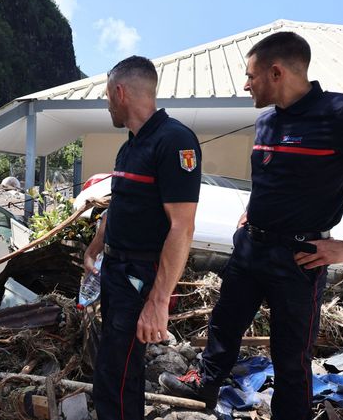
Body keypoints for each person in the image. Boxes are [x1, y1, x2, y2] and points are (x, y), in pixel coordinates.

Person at [158, 32, 343, 420]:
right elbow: (272, 177)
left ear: (276, 72)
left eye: (250, 75)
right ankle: (205, 383)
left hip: (299, 260)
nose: (245, 84)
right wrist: (250, 214)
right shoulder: (267, 121)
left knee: (291, 357)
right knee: (225, 323)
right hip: (251, 247)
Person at [83, 55, 202, 420]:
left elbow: (182, 227)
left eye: (106, 96)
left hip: (140, 274)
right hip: (116, 269)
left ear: (119, 92)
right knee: (115, 368)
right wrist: (94, 250)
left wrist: (157, 301)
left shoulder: (174, 141)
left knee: (117, 373)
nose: (106, 104)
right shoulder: (130, 145)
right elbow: (119, 204)